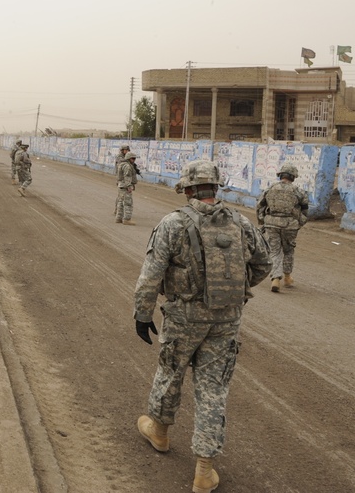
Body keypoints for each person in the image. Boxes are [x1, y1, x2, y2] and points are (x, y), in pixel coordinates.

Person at [133, 159, 271, 493]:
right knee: (213, 389)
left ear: (188, 188)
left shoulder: (173, 223)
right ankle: (204, 471)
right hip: (226, 319)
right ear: (216, 187)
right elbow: (264, 263)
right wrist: (236, 289)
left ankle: (160, 433)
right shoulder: (240, 222)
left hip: (183, 316)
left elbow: (151, 274)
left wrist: (142, 313)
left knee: (171, 373)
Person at [256, 163, 309, 292]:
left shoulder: (270, 188)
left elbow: (260, 206)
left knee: (274, 251)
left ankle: (275, 278)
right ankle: (287, 277)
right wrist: (299, 223)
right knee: (289, 251)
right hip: (290, 225)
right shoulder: (298, 191)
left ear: (280, 175)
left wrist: (262, 221)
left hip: (271, 224)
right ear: (293, 177)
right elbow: (305, 210)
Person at [116, 151, 138, 224]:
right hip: (125, 186)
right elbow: (127, 176)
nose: (134, 160)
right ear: (128, 158)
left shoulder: (122, 164)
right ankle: (127, 219)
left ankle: (119, 218)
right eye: (133, 158)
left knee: (120, 203)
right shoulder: (127, 166)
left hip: (121, 186)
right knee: (128, 203)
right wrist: (129, 186)